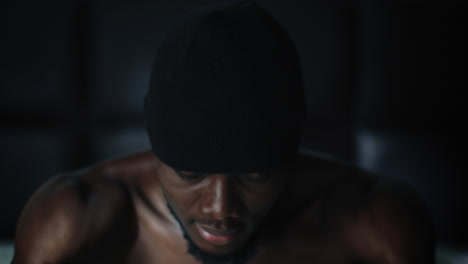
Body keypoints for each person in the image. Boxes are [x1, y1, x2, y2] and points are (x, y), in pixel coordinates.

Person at [12, 1, 435, 264]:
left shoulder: (377, 223)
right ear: (157, 151)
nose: (220, 209)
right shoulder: (73, 220)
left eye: (253, 174)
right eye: (192, 172)